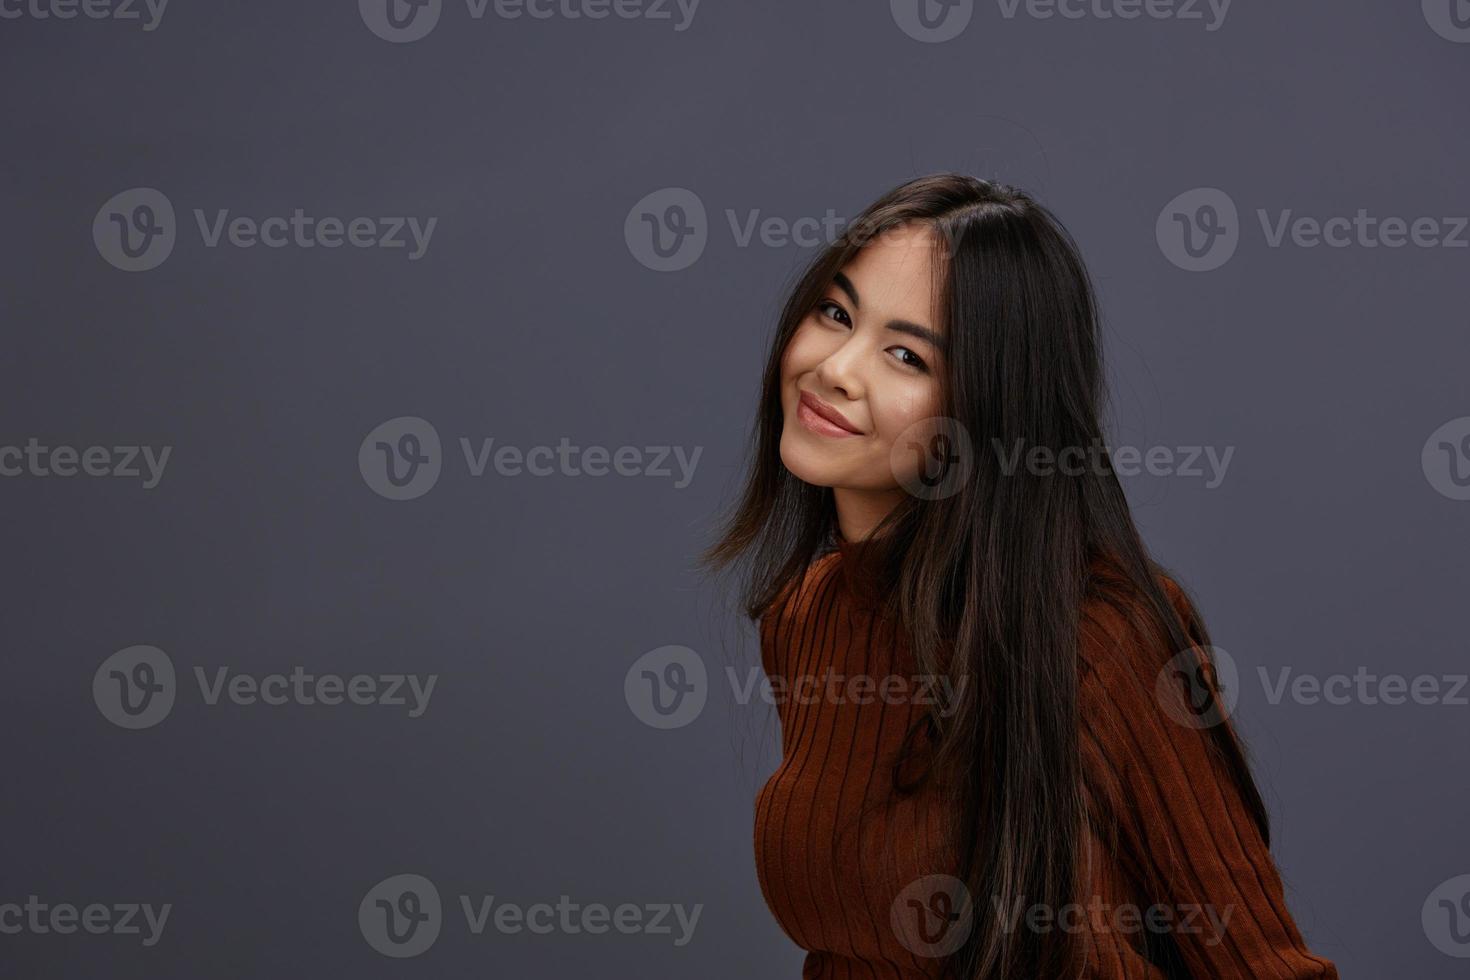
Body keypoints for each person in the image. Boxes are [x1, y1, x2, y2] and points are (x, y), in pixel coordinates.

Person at [702, 174, 1338, 978]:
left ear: (984, 410)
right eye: (835, 313)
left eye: (906, 355)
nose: (836, 368)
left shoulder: (1098, 633)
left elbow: (1263, 967)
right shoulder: (806, 617)